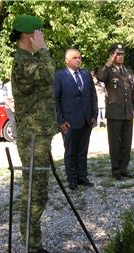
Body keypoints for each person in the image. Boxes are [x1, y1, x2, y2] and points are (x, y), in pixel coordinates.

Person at [9, 15, 65, 253]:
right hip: (32, 137)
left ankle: (36, 247)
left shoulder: (28, 60)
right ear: (29, 35)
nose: (41, 39)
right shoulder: (23, 62)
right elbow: (48, 76)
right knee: (34, 193)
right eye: (39, 34)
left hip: (38, 135)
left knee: (39, 193)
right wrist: (43, 51)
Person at [54, 49, 98, 191]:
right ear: (67, 60)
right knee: (71, 151)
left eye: (79, 57)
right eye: (74, 58)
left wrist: (94, 115)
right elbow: (56, 99)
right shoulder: (60, 75)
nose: (78, 60)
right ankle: (72, 180)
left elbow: (93, 95)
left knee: (82, 151)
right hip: (69, 122)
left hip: (86, 120)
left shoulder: (85, 74)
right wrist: (61, 120)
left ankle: (82, 177)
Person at [97, 43, 134, 180]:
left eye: (122, 54)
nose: (120, 56)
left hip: (127, 112)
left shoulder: (127, 71)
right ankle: (116, 170)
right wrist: (109, 61)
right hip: (114, 112)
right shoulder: (108, 70)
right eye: (117, 54)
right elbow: (100, 77)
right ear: (112, 55)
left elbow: (132, 91)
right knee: (114, 143)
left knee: (127, 143)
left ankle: (124, 168)